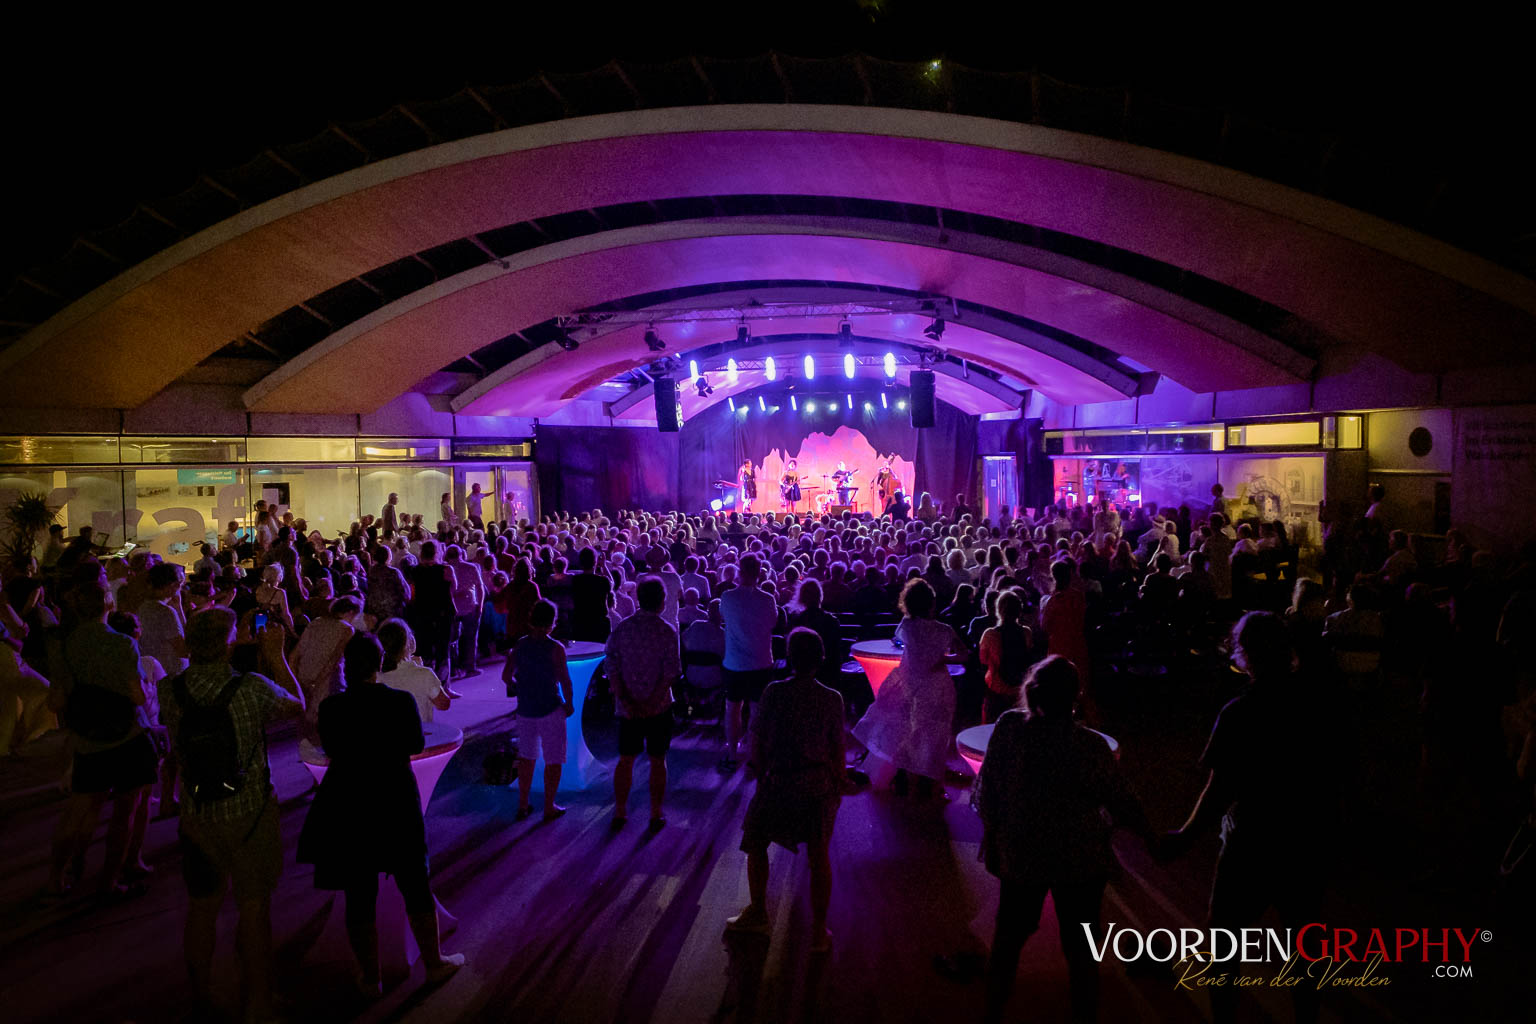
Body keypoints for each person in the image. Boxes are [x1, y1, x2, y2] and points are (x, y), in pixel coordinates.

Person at [1160, 611, 1335, 1024]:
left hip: (1251, 839)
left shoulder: (1240, 711)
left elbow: (1219, 789)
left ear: (1244, 654)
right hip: (1305, 838)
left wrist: (1185, 836)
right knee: (1305, 943)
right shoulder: (1319, 705)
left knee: (1224, 939)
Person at [978, 656, 1152, 1023]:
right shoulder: (1090, 746)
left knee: (1008, 942)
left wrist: (994, 838)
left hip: (1022, 853)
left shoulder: (1009, 727)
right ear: (1076, 696)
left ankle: (992, 1013)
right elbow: (1122, 801)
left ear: (1032, 690)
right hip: (1080, 859)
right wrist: (1154, 839)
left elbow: (988, 790)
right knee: (1082, 950)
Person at [297, 632, 465, 995]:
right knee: (415, 884)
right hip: (395, 800)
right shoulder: (399, 702)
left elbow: (330, 748)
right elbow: (415, 743)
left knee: (359, 893)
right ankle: (434, 964)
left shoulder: (333, 707)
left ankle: (371, 977)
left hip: (351, 804)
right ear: (378, 663)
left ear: (346, 666)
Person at [162, 607, 305, 1022]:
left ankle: (201, 996)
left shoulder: (170, 689)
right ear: (228, 645)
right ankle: (258, 1002)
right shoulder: (251, 688)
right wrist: (276, 657)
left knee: (201, 907)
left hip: (196, 814)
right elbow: (297, 707)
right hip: (249, 812)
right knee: (254, 907)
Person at [725, 628, 846, 953]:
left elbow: (758, 739)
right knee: (819, 857)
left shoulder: (773, 692)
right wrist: (839, 784)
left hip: (778, 781)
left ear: (789, 657)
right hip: (816, 786)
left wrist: (760, 774)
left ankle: (758, 912)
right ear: (821, 658)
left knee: (756, 844)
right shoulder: (832, 699)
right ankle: (818, 931)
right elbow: (837, 749)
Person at [45, 581, 158, 898]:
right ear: (108, 603)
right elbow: (137, 696)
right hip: (128, 735)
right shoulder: (122, 643)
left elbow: (56, 700)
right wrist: (146, 689)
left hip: (88, 738)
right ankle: (109, 881)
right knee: (125, 812)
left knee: (77, 811)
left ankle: (56, 878)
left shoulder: (65, 645)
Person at [852, 579, 969, 797]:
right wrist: (943, 659)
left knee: (904, 728)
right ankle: (926, 780)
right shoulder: (945, 630)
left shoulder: (906, 626)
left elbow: (899, 642)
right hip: (936, 686)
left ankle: (903, 776)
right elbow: (964, 655)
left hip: (908, 682)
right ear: (931, 602)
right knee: (933, 732)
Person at [604, 577, 680, 830]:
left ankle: (620, 810)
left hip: (628, 708)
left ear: (638, 598)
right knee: (658, 760)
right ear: (662, 601)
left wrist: (626, 701)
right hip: (659, 707)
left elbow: (612, 668)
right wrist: (651, 703)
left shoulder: (622, 629)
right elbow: (670, 673)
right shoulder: (667, 631)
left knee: (625, 759)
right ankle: (655, 812)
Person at [503, 599, 575, 821]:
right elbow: (565, 680)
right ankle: (549, 806)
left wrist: (518, 687)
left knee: (527, 757)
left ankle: (523, 804)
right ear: (552, 623)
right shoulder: (556, 648)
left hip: (525, 710)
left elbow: (506, 676)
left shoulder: (520, 645)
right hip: (550, 708)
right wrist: (569, 703)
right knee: (553, 759)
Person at [719, 553, 778, 774]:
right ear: (759, 573)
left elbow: (724, 618)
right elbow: (773, 624)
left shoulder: (727, 597)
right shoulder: (768, 599)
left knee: (732, 709)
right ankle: (754, 756)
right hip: (761, 661)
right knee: (756, 710)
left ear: (740, 572)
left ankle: (732, 754)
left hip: (734, 662)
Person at [377, 618, 451, 724]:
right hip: (420, 732)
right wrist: (420, 668)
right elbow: (444, 704)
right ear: (408, 642)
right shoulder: (424, 674)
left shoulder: (376, 678)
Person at [978, 590, 1032, 723]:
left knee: (992, 727)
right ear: (1019, 610)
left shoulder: (990, 634)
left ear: (998, 610)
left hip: (996, 688)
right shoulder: (1026, 632)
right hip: (1019, 690)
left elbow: (983, 660)